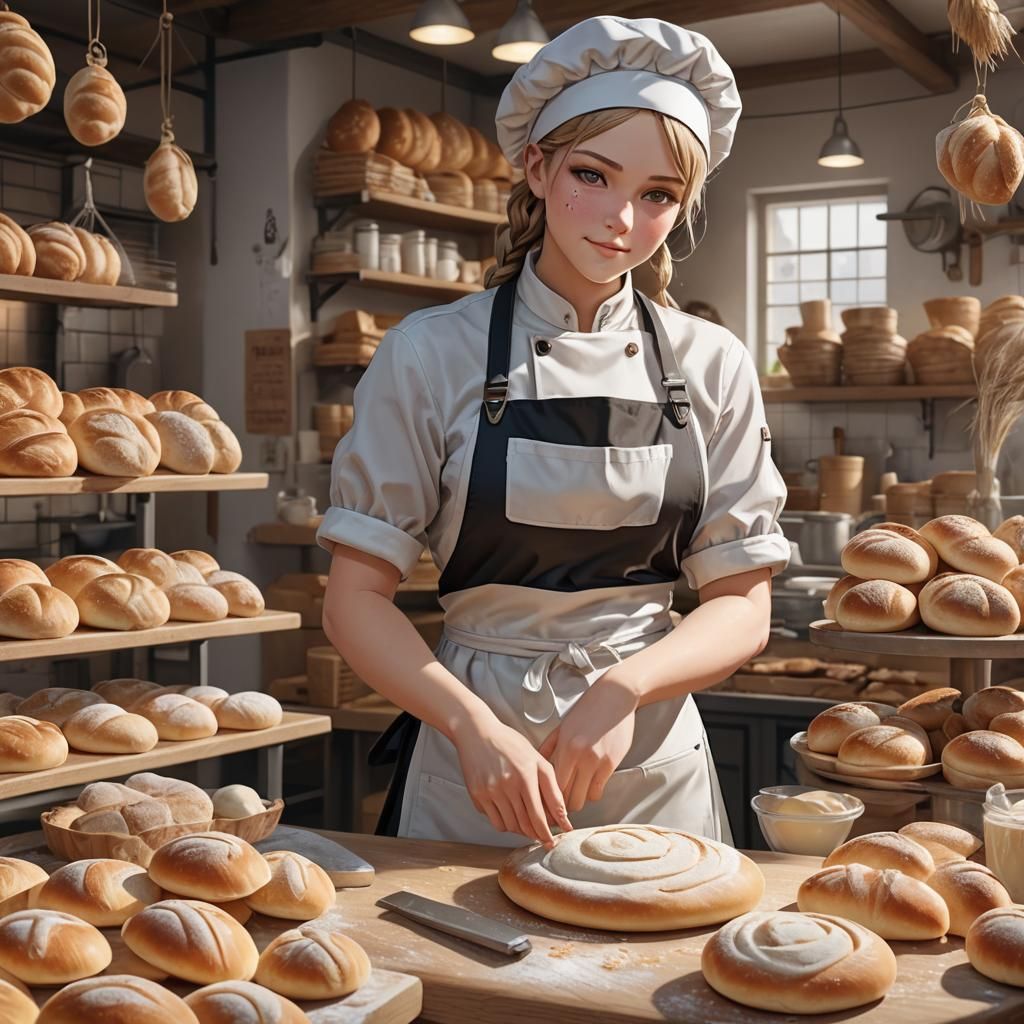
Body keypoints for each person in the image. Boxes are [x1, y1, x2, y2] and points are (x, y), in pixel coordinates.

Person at [318, 16, 789, 849]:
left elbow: (742, 608)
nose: (620, 218)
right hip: (474, 759)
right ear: (536, 167)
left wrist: (622, 690)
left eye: (657, 196)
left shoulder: (711, 362)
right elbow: (354, 602)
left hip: (648, 758)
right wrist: (470, 728)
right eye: (592, 175)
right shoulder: (430, 353)